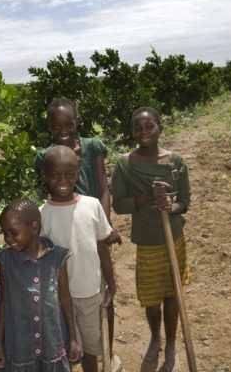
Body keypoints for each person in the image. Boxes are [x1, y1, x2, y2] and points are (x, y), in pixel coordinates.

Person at [33, 98, 121, 369]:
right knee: (67, 336)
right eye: (57, 125)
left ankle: (107, 353)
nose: (63, 129)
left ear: (77, 121)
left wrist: (103, 227)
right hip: (62, 269)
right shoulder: (45, 161)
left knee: (98, 309)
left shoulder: (92, 147)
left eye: (69, 123)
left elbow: (104, 188)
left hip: (90, 224)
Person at [111, 106, 191, 372]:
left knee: (172, 294)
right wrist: (147, 195)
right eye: (137, 128)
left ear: (160, 128)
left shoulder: (176, 161)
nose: (143, 132)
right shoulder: (125, 164)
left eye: (150, 126)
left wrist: (171, 206)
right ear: (131, 132)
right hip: (147, 241)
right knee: (151, 299)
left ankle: (170, 344)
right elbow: (120, 205)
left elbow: (185, 202)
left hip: (174, 238)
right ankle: (155, 337)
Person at [0, 199, 81, 371]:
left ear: (34, 228)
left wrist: (72, 338)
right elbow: (4, 301)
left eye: (13, 233)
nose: (8, 239)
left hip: (52, 340)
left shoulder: (57, 258)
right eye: (5, 233)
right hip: (20, 344)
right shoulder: (6, 260)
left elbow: (64, 297)